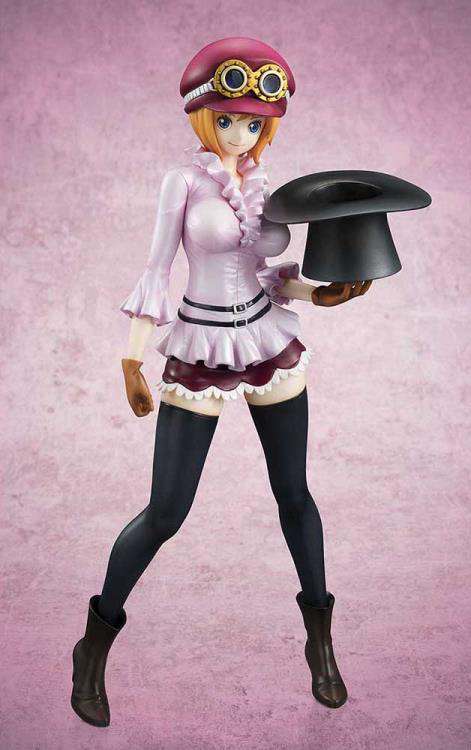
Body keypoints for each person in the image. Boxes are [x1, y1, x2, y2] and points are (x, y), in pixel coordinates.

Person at [71, 37, 372, 727]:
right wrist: (131, 361)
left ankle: (320, 642)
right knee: (167, 511)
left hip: (266, 338)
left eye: (254, 123)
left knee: (294, 495)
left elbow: (267, 274)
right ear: (204, 116)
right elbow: (157, 268)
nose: (240, 134)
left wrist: (319, 293)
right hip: (200, 344)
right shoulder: (181, 182)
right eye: (229, 120)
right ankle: (93, 645)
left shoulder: (263, 184)